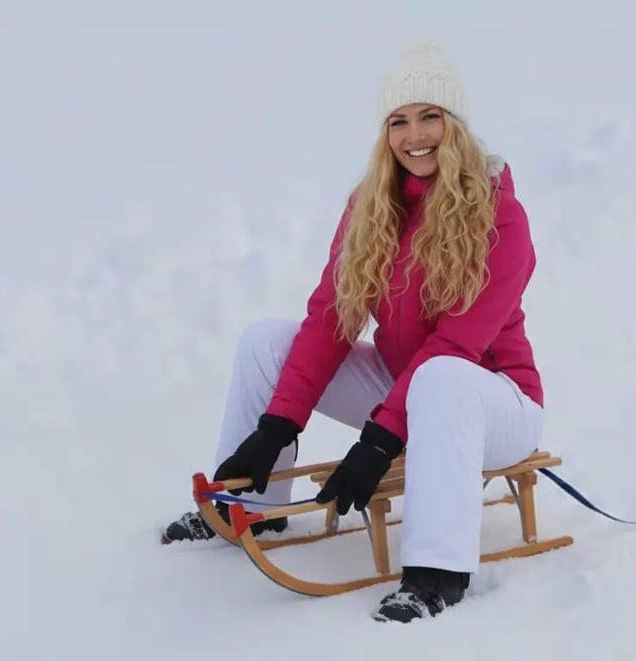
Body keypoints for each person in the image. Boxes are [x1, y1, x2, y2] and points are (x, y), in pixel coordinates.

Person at [163, 40, 544, 623]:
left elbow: (455, 347)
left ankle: (436, 572)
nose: (414, 135)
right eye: (399, 121)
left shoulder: (501, 217)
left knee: (441, 374)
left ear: (457, 125)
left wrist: (377, 442)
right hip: (410, 389)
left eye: (430, 117)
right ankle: (248, 502)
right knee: (268, 340)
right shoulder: (372, 206)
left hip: (495, 404)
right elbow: (332, 318)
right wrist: (277, 425)